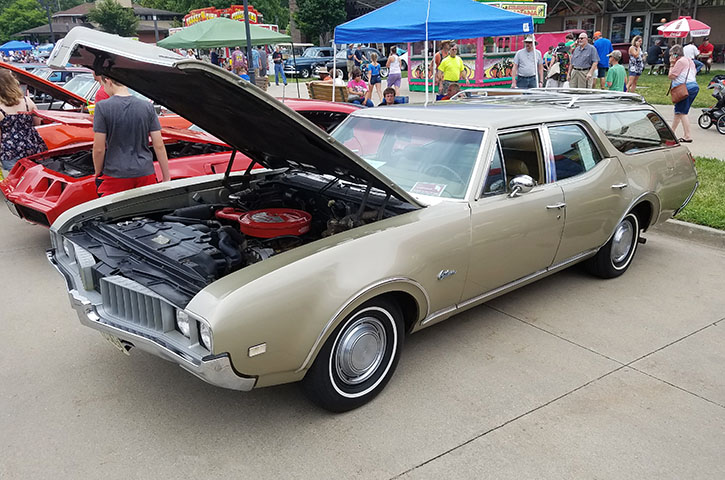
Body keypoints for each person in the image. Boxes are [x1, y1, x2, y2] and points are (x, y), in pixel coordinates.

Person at [92, 76, 170, 197]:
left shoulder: (102, 107)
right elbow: (159, 145)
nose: (103, 89)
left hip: (115, 174)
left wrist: (97, 173)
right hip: (145, 172)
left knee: (115, 214)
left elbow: (98, 148)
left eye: (103, 85)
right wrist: (166, 177)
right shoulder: (147, 107)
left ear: (108, 81)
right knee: (145, 213)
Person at [0, 69, 46, 176]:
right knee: (33, 179)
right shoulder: (27, 101)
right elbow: (38, 124)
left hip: (10, 152)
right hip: (32, 148)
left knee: (16, 181)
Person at [668, 44, 699, 143]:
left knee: (682, 113)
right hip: (693, 86)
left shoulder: (680, 62)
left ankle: (687, 136)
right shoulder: (690, 61)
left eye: (672, 54)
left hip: (684, 88)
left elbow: (672, 76)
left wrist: (672, 64)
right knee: (678, 111)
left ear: (675, 54)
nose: (671, 57)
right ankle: (672, 132)